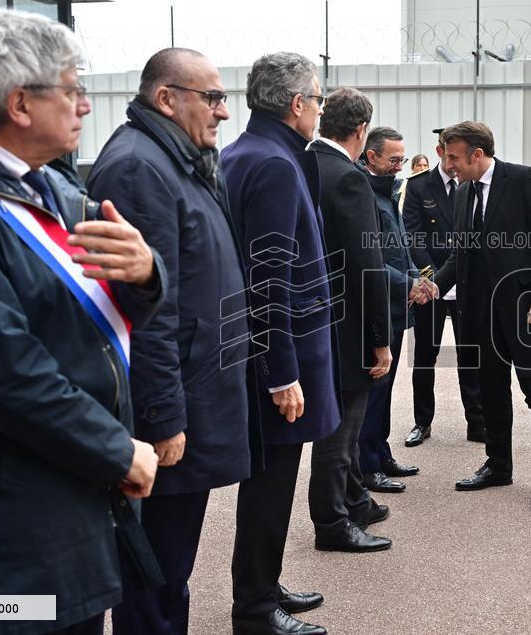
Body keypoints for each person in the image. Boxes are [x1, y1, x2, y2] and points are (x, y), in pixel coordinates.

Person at [0, 8, 166, 635]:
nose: (84, 107)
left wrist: (146, 272)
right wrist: (116, 452)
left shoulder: (49, 186)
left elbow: (102, 316)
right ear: (20, 103)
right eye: (72, 91)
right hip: (2, 518)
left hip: (68, 492)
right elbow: (1, 372)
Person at [86, 48, 260, 634]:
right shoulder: (139, 168)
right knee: (153, 579)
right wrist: (162, 416)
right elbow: (146, 309)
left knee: (168, 571)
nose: (223, 112)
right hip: (169, 409)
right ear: (167, 98)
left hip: (194, 394)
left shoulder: (175, 158)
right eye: (212, 98)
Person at [220, 52, 340, 635]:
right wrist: (281, 372)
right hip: (280, 354)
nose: (319, 110)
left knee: (268, 485)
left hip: (271, 348)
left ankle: (261, 586)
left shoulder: (249, 152)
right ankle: (254, 611)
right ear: (297, 105)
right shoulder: (273, 163)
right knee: (269, 488)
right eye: (317, 100)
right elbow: (268, 277)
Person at [432, 120, 531, 512]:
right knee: (490, 390)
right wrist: (434, 287)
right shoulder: (462, 192)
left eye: (454, 156)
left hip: (526, 311)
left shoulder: (524, 180)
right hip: (480, 312)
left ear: (478, 154)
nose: (449, 164)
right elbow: (461, 255)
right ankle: (498, 464)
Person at [306, 87, 394, 553]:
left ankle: (355, 501)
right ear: (362, 130)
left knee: (336, 428)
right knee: (340, 435)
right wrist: (381, 339)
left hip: (311, 315)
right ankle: (332, 523)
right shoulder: (348, 176)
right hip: (348, 325)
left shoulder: (305, 162)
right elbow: (368, 263)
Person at [358, 126, 436, 494]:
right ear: (371, 156)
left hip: (396, 304)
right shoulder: (363, 195)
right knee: (374, 390)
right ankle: (367, 465)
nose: (400, 166)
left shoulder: (389, 192)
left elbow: (399, 249)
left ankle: (381, 452)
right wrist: (409, 283)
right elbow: (369, 259)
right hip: (378, 306)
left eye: (402, 158)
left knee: (386, 389)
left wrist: (413, 281)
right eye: (394, 159)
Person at [402, 127, 484, 447]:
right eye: (449, 156)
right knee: (425, 356)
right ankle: (422, 422)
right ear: (439, 153)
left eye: (458, 157)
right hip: (431, 284)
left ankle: (476, 423)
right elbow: (413, 236)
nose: (454, 164)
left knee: (470, 355)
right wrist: (430, 279)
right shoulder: (419, 186)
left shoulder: (474, 184)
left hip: (466, 285)